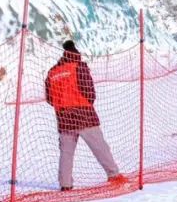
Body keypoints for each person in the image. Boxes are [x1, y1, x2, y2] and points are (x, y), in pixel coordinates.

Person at [45, 40, 124, 190]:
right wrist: (84, 102)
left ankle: (65, 184)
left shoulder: (52, 72)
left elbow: (49, 98)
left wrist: (62, 105)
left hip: (63, 118)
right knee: (100, 147)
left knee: (66, 153)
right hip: (84, 115)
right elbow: (89, 91)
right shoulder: (79, 66)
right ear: (75, 54)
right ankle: (113, 174)